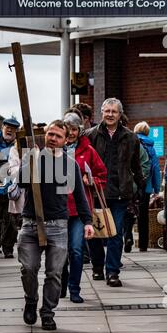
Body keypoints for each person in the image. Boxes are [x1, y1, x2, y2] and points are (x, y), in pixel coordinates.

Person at [18, 120, 94, 331]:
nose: (52, 138)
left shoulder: (70, 165)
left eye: (57, 136)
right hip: (31, 223)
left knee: (54, 273)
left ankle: (48, 313)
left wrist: (87, 222)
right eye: (50, 134)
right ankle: (31, 300)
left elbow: (80, 196)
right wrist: (29, 161)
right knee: (28, 268)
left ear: (65, 140)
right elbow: (22, 182)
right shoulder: (35, 157)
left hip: (58, 225)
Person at [86, 98, 144, 287]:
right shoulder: (90, 135)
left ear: (120, 114)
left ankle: (112, 272)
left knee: (116, 233)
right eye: (107, 111)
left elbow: (136, 165)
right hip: (96, 192)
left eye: (114, 111)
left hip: (120, 192)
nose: (110, 114)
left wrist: (140, 186)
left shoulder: (131, 137)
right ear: (101, 112)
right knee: (95, 233)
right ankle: (97, 266)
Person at [61, 113, 107, 303]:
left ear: (80, 131)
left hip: (80, 210)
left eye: (74, 129)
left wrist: (91, 180)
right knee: (60, 252)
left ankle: (74, 289)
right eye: (67, 128)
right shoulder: (54, 150)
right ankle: (61, 285)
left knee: (76, 250)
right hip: (59, 209)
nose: (71, 133)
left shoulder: (88, 150)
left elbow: (102, 175)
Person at [0, 117, 20, 258]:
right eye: (7, 127)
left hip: (12, 189)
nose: (9, 130)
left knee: (11, 221)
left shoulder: (18, 144)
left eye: (13, 129)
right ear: (2, 127)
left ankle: (8, 248)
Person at [133, 121, 161, 251]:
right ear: (147, 132)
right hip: (146, 186)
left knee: (128, 212)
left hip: (130, 184)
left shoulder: (131, 143)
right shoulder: (151, 147)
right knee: (143, 215)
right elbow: (155, 169)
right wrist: (156, 188)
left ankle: (127, 237)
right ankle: (143, 245)